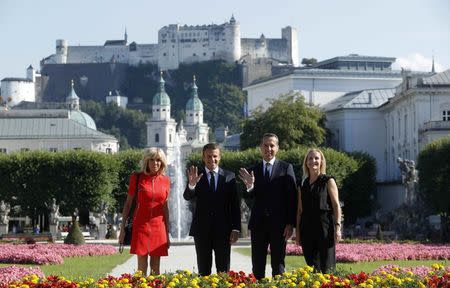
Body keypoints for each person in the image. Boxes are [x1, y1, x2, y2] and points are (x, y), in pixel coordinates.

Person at [239, 133, 297, 279]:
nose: (268, 148)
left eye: (272, 145)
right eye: (265, 145)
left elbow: (292, 198)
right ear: (260, 147)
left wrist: (290, 223)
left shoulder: (286, 168)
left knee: (278, 265)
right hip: (258, 225)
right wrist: (250, 187)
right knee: (257, 265)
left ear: (277, 148)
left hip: (280, 226)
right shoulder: (252, 171)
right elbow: (248, 199)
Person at [184, 143, 241, 276]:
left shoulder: (229, 176)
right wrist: (192, 185)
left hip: (224, 231)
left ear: (219, 157)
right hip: (202, 230)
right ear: (203, 158)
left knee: (223, 271)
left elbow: (235, 205)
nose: (212, 159)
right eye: (208, 156)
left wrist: (236, 228)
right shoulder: (197, 175)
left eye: (215, 156)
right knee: (203, 271)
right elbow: (187, 196)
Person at [118, 148, 170, 275]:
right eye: (151, 160)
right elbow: (128, 204)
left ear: (162, 162)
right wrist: (122, 229)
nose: (155, 163)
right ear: (146, 161)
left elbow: (165, 208)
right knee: (141, 268)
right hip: (140, 226)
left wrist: (167, 233)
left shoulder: (166, 180)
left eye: (158, 160)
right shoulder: (136, 178)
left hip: (159, 227)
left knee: (155, 269)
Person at [296, 148, 342, 273]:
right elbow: (300, 210)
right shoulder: (302, 185)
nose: (313, 161)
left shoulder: (328, 181)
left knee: (327, 268)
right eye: (310, 158)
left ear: (321, 162)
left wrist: (338, 227)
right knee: (312, 267)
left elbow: (336, 205)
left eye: (316, 158)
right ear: (306, 162)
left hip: (325, 228)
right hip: (307, 229)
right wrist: (298, 233)